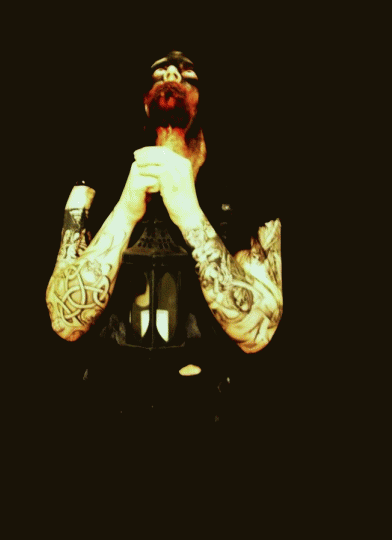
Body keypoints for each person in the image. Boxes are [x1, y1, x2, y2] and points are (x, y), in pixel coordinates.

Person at [45, 50, 283, 427]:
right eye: (158, 74)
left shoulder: (245, 186)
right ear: (143, 102)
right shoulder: (93, 182)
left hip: (208, 417)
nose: (171, 73)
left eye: (188, 74)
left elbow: (258, 331)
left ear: (207, 100)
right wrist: (125, 211)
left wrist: (189, 214)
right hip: (105, 417)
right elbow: (64, 321)